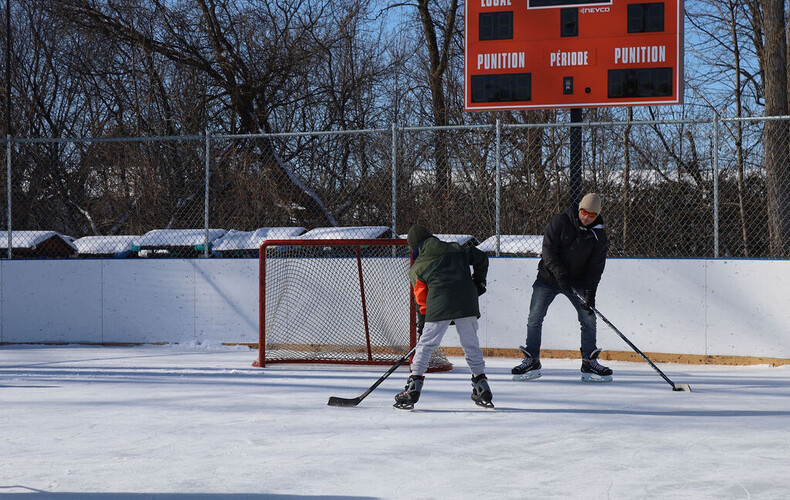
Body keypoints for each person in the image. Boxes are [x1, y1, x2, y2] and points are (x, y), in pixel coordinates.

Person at [512, 193, 613, 382]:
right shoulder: (561, 221)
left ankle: (589, 361)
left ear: (596, 216)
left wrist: (591, 292)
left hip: (578, 282)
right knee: (535, 317)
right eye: (584, 212)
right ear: (579, 209)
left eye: (592, 215)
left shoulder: (599, 234)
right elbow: (548, 249)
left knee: (588, 318)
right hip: (548, 278)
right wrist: (560, 274)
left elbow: (596, 267)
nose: (586, 217)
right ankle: (532, 359)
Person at [394, 224, 493, 410]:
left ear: (414, 246)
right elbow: (482, 258)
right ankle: (481, 384)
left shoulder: (417, 268)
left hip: (439, 305)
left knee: (426, 345)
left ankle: (413, 387)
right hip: (467, 303)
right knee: (471, 344)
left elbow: (421, 301)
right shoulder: (457, 248)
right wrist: (479, 282)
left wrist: (422, 325)